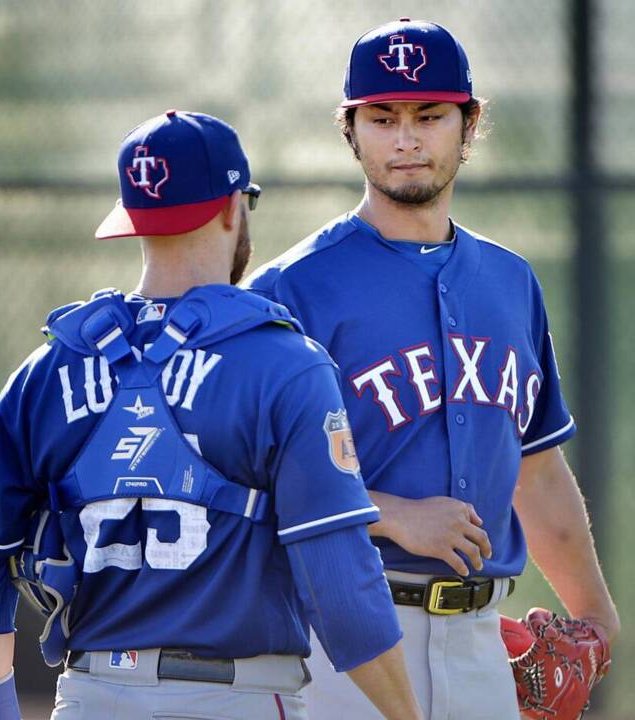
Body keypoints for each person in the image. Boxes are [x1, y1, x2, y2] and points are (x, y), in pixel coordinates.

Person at [0, 109, 423, 720]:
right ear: (231, 208)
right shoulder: (285, 365)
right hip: (234, 698)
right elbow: (341, 584)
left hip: (89, 698)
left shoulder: (46, 369)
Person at [243, 18, 619, 720]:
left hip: (484, 644)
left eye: (430, 114)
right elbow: (238, 479)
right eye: (382, 117)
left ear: (468, 124)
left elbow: (535, 467)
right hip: (338, 641)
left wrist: (598, 616)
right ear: (351, 130)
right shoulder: (287, 290)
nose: (407, 138)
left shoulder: (511, 282)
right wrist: (391, 514)